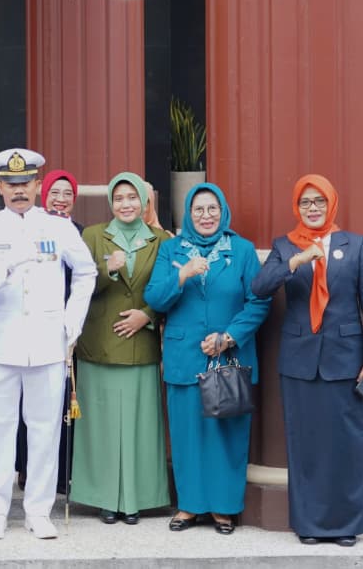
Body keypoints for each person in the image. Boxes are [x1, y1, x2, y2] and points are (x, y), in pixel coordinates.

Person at [0, 148, 96, 540]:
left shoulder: (58, 228)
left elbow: (86, 272)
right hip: (1, 346)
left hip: (47, 343)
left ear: (37, 185)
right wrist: (11, 261)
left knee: (43, 431)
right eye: (11, 184)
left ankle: (39, 511)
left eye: (26, 184)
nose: (19, 191)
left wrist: (72, 322)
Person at [144, 182, 269, 536]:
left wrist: (229, 337)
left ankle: (224, 508)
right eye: (198, 209)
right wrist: (181, 275)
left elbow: (258, 301)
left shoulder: (241, 250)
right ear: (188, 213)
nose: (206, 216)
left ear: (223, 211)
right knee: (187, 434)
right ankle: (189, 506)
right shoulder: (172, 250)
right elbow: (155, 298)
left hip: (229, 356)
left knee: (226, 432)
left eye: (212, 208)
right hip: (185, 356)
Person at [252, 174, 363, 547]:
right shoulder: (285, 246)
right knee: (305, 444)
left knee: (346, 443)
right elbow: (260, 286)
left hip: (345, 359)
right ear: (297, 207)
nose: (312, 208)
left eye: (318, 201)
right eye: (305, 202)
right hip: (299, 362)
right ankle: (309, 524)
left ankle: (345, 524)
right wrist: (297, 260)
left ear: (331, 203)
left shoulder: (356, 246)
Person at [71, 172, 171, 524]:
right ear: (110, 201)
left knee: (140, 426)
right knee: (100, 427)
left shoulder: (161, 240)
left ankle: (137, 501)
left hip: (140, 344)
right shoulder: (93, 235)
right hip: (99, 343)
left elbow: (169, 288)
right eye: (119, 198)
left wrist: (147, 316)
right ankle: (103, 499)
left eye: (133, 198)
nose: (126, 204)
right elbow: (77, 284)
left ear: (145, 203)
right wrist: (106, 270)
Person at [16, 167, 84, 492]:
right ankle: (26, 467)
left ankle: (62, 473)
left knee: (63, 403)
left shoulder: (82, 233)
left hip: (71, 331)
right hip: (34, 329)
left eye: (67, 194)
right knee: (28, 404)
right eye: (55, 193)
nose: (61, 199)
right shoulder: (34, 230)